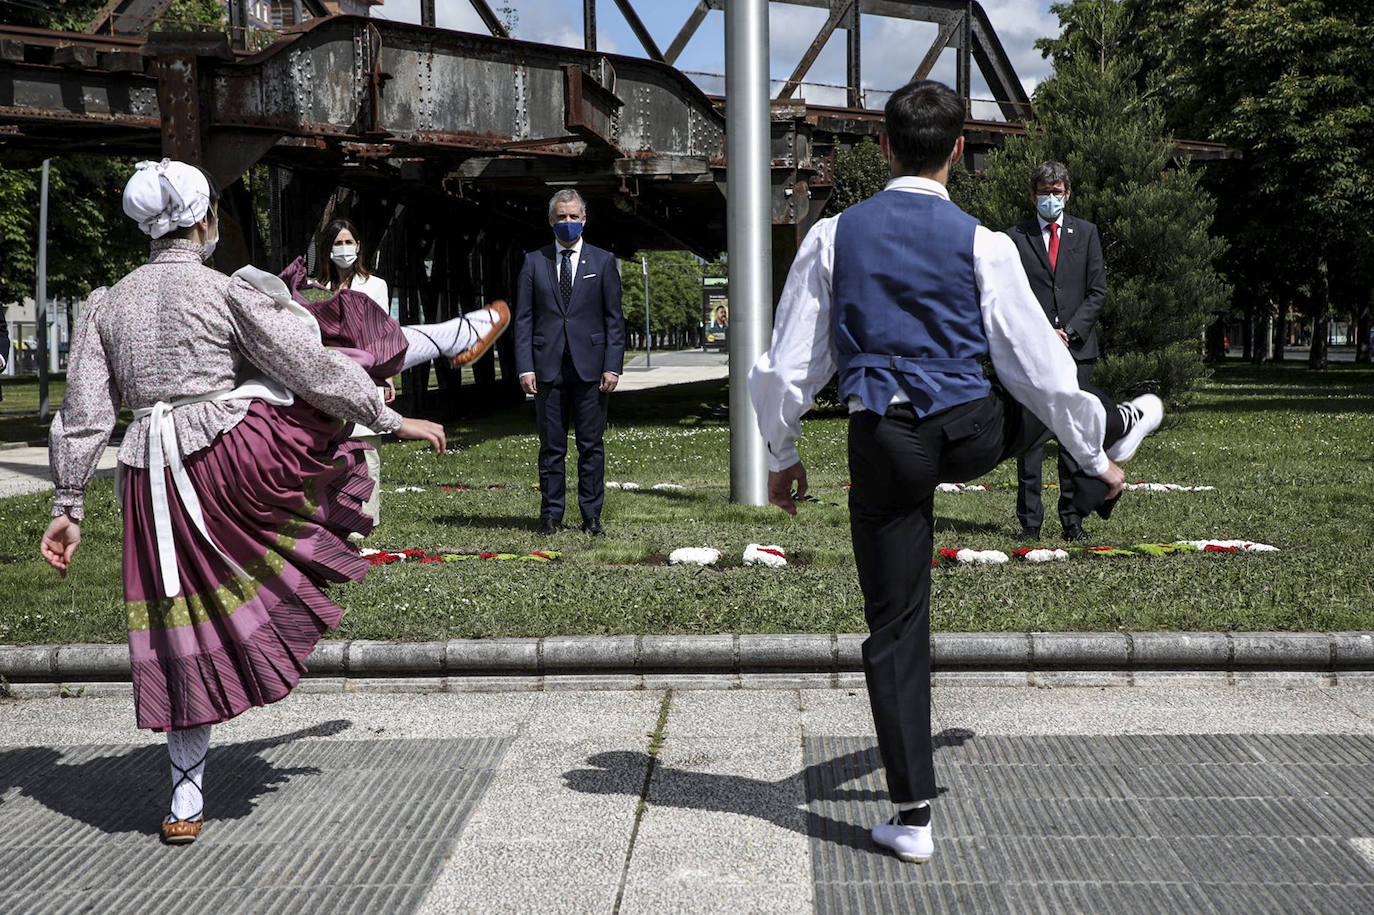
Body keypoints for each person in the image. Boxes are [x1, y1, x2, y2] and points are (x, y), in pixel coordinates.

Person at [748, 80, 1162, 865]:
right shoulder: (987, 243)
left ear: (883, 147)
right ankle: (1119, 423)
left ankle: (910, 816)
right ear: (960, 152)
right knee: (1040, 388)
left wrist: (784, 455)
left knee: (895, 623)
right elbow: (1039, 368)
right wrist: (1096, 457)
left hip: (886, 440)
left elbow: (786, 367)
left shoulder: (834, 237)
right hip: (970, 429)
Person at [39, 159, 446, 846]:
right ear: (204, 222)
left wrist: (68, 502)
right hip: (221, 463)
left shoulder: (106, 303)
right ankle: (247, 672)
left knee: (172, 625)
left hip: (147, 474)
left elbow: (84, 415)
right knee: (263, 575)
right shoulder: (227, 291)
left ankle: (185, 795)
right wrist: (383, 416)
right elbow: (307, 363)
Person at [1004, 161, 1107, 543]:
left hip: (1077, 352)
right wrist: (1042, 334)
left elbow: (1097, 291)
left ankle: (1073, 519)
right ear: (1034, 195)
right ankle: (1030, 523)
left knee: (1073, 438)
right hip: (1033, 355)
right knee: (1030, 441)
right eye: (1045, 191)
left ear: (1068, 193)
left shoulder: (1087, 234)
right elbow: (1010, 295)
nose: (1051, 198)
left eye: (1057, 191)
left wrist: (1071, 331)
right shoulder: (1015, 238)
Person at [513, 189, 625, 537]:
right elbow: (524, 319)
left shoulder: (603, 262)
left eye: (574, 216)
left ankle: (591, 516)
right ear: (551, 220)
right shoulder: (534, 261)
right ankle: (551, 516)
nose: (568, 222)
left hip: (591, 369)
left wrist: (613, 365)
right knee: (551, 448)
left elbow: (614, 320)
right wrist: (525, 366)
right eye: (561, 217)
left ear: (584, 220)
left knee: (591, 446)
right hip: (548, 368)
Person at [287, 217, 511, 373]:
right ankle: (468, 332)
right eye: (338, 243)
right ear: (327, 249)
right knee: (412, 337)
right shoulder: (312, 289)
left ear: (357, 247)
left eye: (348, 242)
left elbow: (383, 330)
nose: (344, 248)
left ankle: (466, 333)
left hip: (368, 356)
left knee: (404, 338)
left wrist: (387, 376)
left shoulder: (375, 285)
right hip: (335, 360)